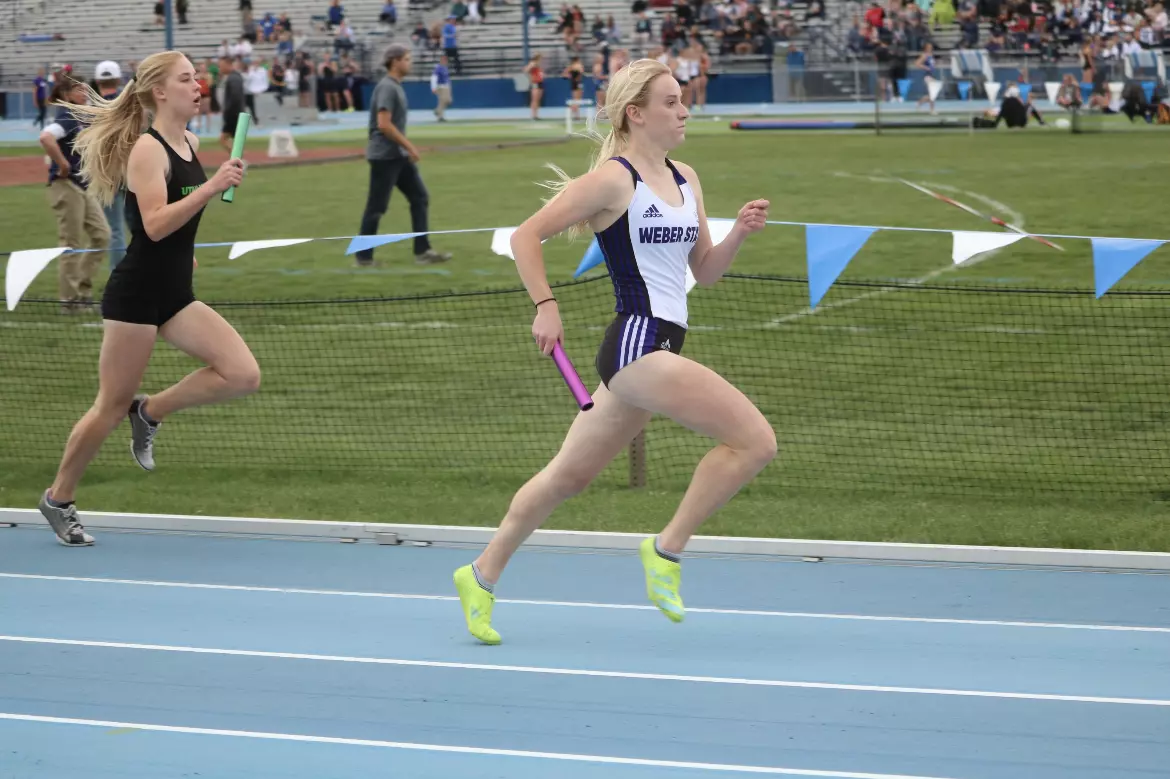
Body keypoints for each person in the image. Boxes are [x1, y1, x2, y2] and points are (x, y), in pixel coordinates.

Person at [453, 58, 773, 644]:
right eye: (671, 102)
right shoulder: (612, 181)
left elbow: (706, 272)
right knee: (755, 441)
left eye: (682, 100)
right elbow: (525, 236)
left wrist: (739, 234)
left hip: (664, 343)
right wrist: (546, 305)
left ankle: (479, 574)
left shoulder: (686, 178)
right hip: (635, 347)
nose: (684, 111)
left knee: (567, 478)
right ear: (636, 114)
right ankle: (666, 550)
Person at [37, 51, 258, 547]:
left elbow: (175, 222)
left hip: (175, 292)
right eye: (186, 79)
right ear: (160, 91)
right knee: (109, 405)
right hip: (136, 295)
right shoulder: (147, 150)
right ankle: (58, 498)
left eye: (197, 78)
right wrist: (213, 186)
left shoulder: (190, 141)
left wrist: (189, 252)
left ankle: (151, 411)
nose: (198, 85)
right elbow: (154, 225)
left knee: (243, 374)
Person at [356, 45, 451, 267]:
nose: (410, 63)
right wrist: (409, 146)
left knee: (420, 197)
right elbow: (384, 124)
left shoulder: (395, 86)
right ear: (395, 61)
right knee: (376, 207)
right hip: (385, 157)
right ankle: (363, 257)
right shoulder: (387, 88)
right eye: (407, 59)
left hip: (396, 155)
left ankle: (423, 251)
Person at [39, 74, 111, 313]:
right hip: (66, 185)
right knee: (71, 243)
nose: (85, 92)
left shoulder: (81, 116)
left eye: (86, 88)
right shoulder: (68, 116)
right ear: (67, 94)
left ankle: (82, 291)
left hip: (82, 185)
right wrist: (62, 164)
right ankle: (69, 301)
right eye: (79, 89)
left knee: (102, 235)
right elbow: (46, 137)